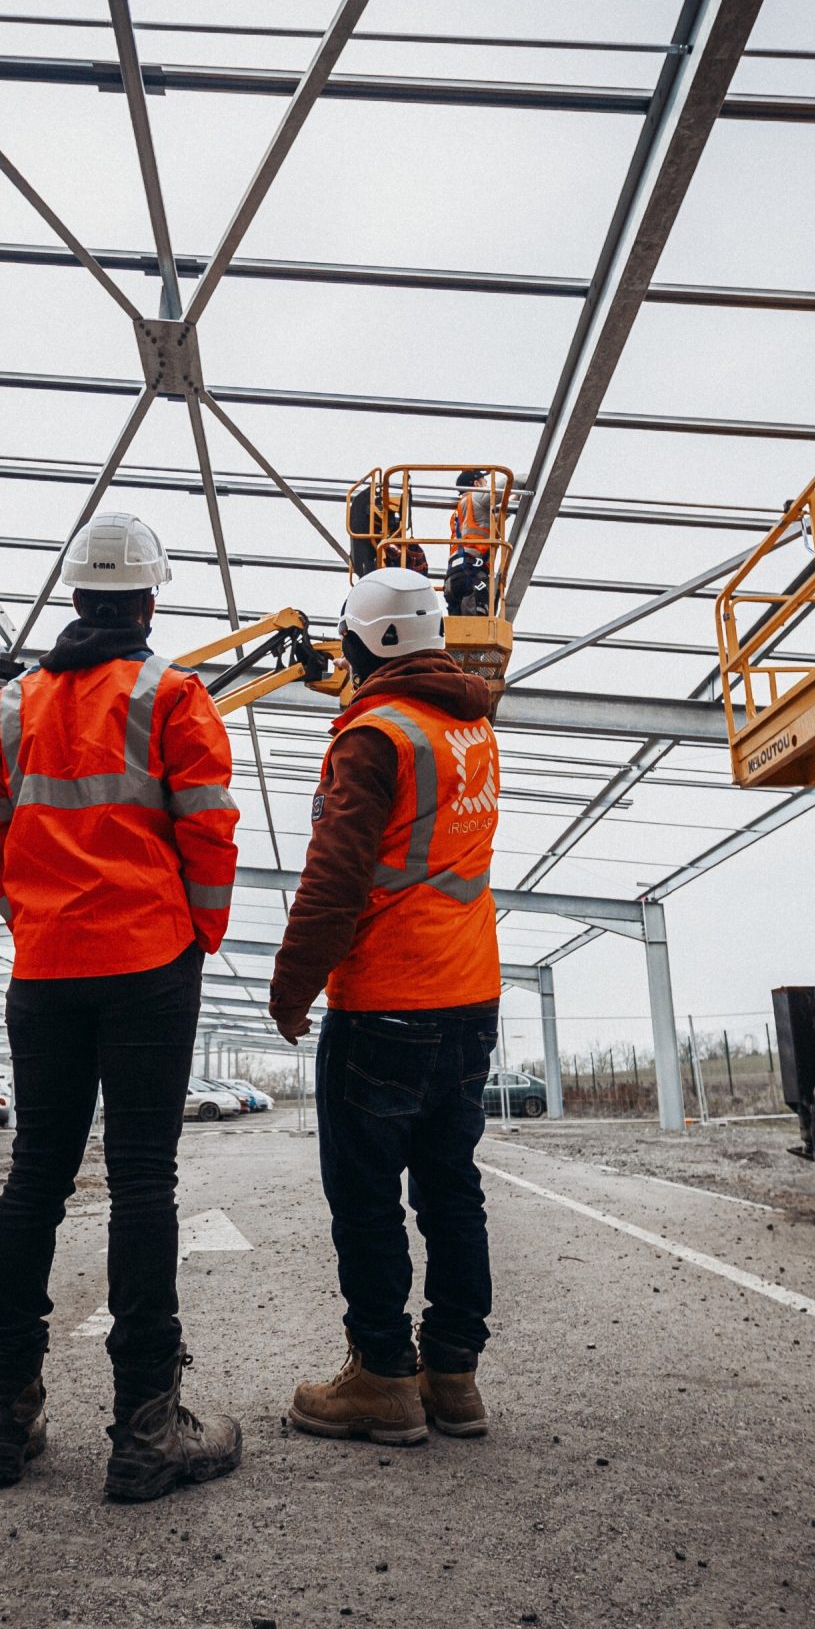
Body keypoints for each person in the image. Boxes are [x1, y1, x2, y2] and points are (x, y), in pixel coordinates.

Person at [0, 511, 244, 1503]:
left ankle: (6, 1418)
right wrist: (194, 936)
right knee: (141, 1183)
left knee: (33, 1179)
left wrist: (35, 919)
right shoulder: (174, 696)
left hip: (45, 971)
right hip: (147, 965)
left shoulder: (0, 712)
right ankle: (146, 1429)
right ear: (150, 597)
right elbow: (208, 834)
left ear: (72, 595)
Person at [268, 567, 501, 1446]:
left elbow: (335, 879)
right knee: (452, 1189)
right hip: (470, 996)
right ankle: (455, 1376)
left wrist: (293, 986)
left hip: (387, 1002)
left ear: (363, 645)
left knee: (366, 1194)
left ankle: (382, 1377)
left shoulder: (375, 736)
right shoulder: (474, 728)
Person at [444, 468, 495, 617]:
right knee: (477, 628)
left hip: (453, 577)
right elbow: (511, 482)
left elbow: (498, 518)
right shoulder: (477, 496)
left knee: (457, 633)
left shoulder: (459, 512)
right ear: (477, 484)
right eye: (485, 482)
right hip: (473, 574)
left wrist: (517, 499)